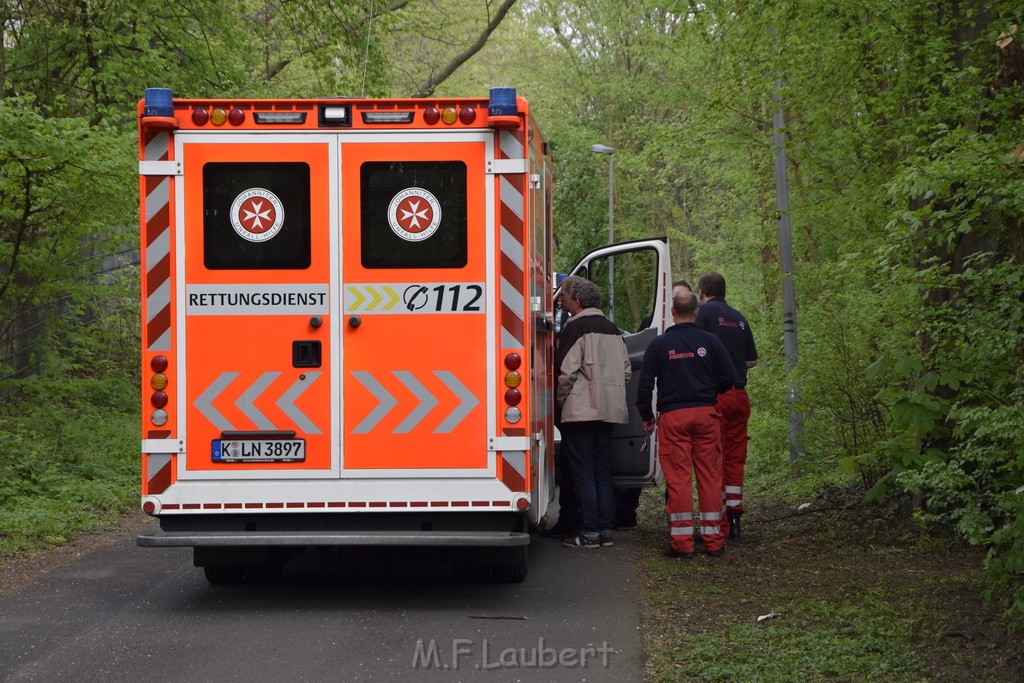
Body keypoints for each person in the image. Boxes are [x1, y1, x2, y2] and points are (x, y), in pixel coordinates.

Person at [637, 287, 737, 558]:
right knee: (710, 476)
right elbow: (730, 377)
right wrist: (708, 390)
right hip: (706, 415)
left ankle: (682, 544)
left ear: (672, 313)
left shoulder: (659, 345)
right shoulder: (711, 341)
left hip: (673, 418)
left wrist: (646, 417)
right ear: (696, 312)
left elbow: (644, 386)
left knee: (679, 479)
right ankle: (714, 540)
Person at [554, 276, 631, 549]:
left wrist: (561, 402)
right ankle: (605, 531)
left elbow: (565, 373)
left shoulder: (576, 328)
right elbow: (625, 371)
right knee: (601, 471)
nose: (564, 303)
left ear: (577, 301)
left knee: (583, 472)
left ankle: (588, 533)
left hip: (581, 411)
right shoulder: (612, 329)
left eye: (565, 298)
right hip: (610, 409)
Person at [613, 280, 694, 530]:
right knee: (642, 455)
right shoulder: (653, 326)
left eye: (679, 297)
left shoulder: (697, 332)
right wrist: (645, 411)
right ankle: (626, 511)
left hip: (682, 406)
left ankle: (678, 518)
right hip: (662, 403)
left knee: (681, 469)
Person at [696, 272, 758, 541]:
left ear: (701, 292)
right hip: (740, 396)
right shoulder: (740, 318)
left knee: (713, 460)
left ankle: (718, 520)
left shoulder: (702, 315)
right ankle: (734, 516)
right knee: (735, 460)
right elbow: (752, 361)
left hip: (717, 396)